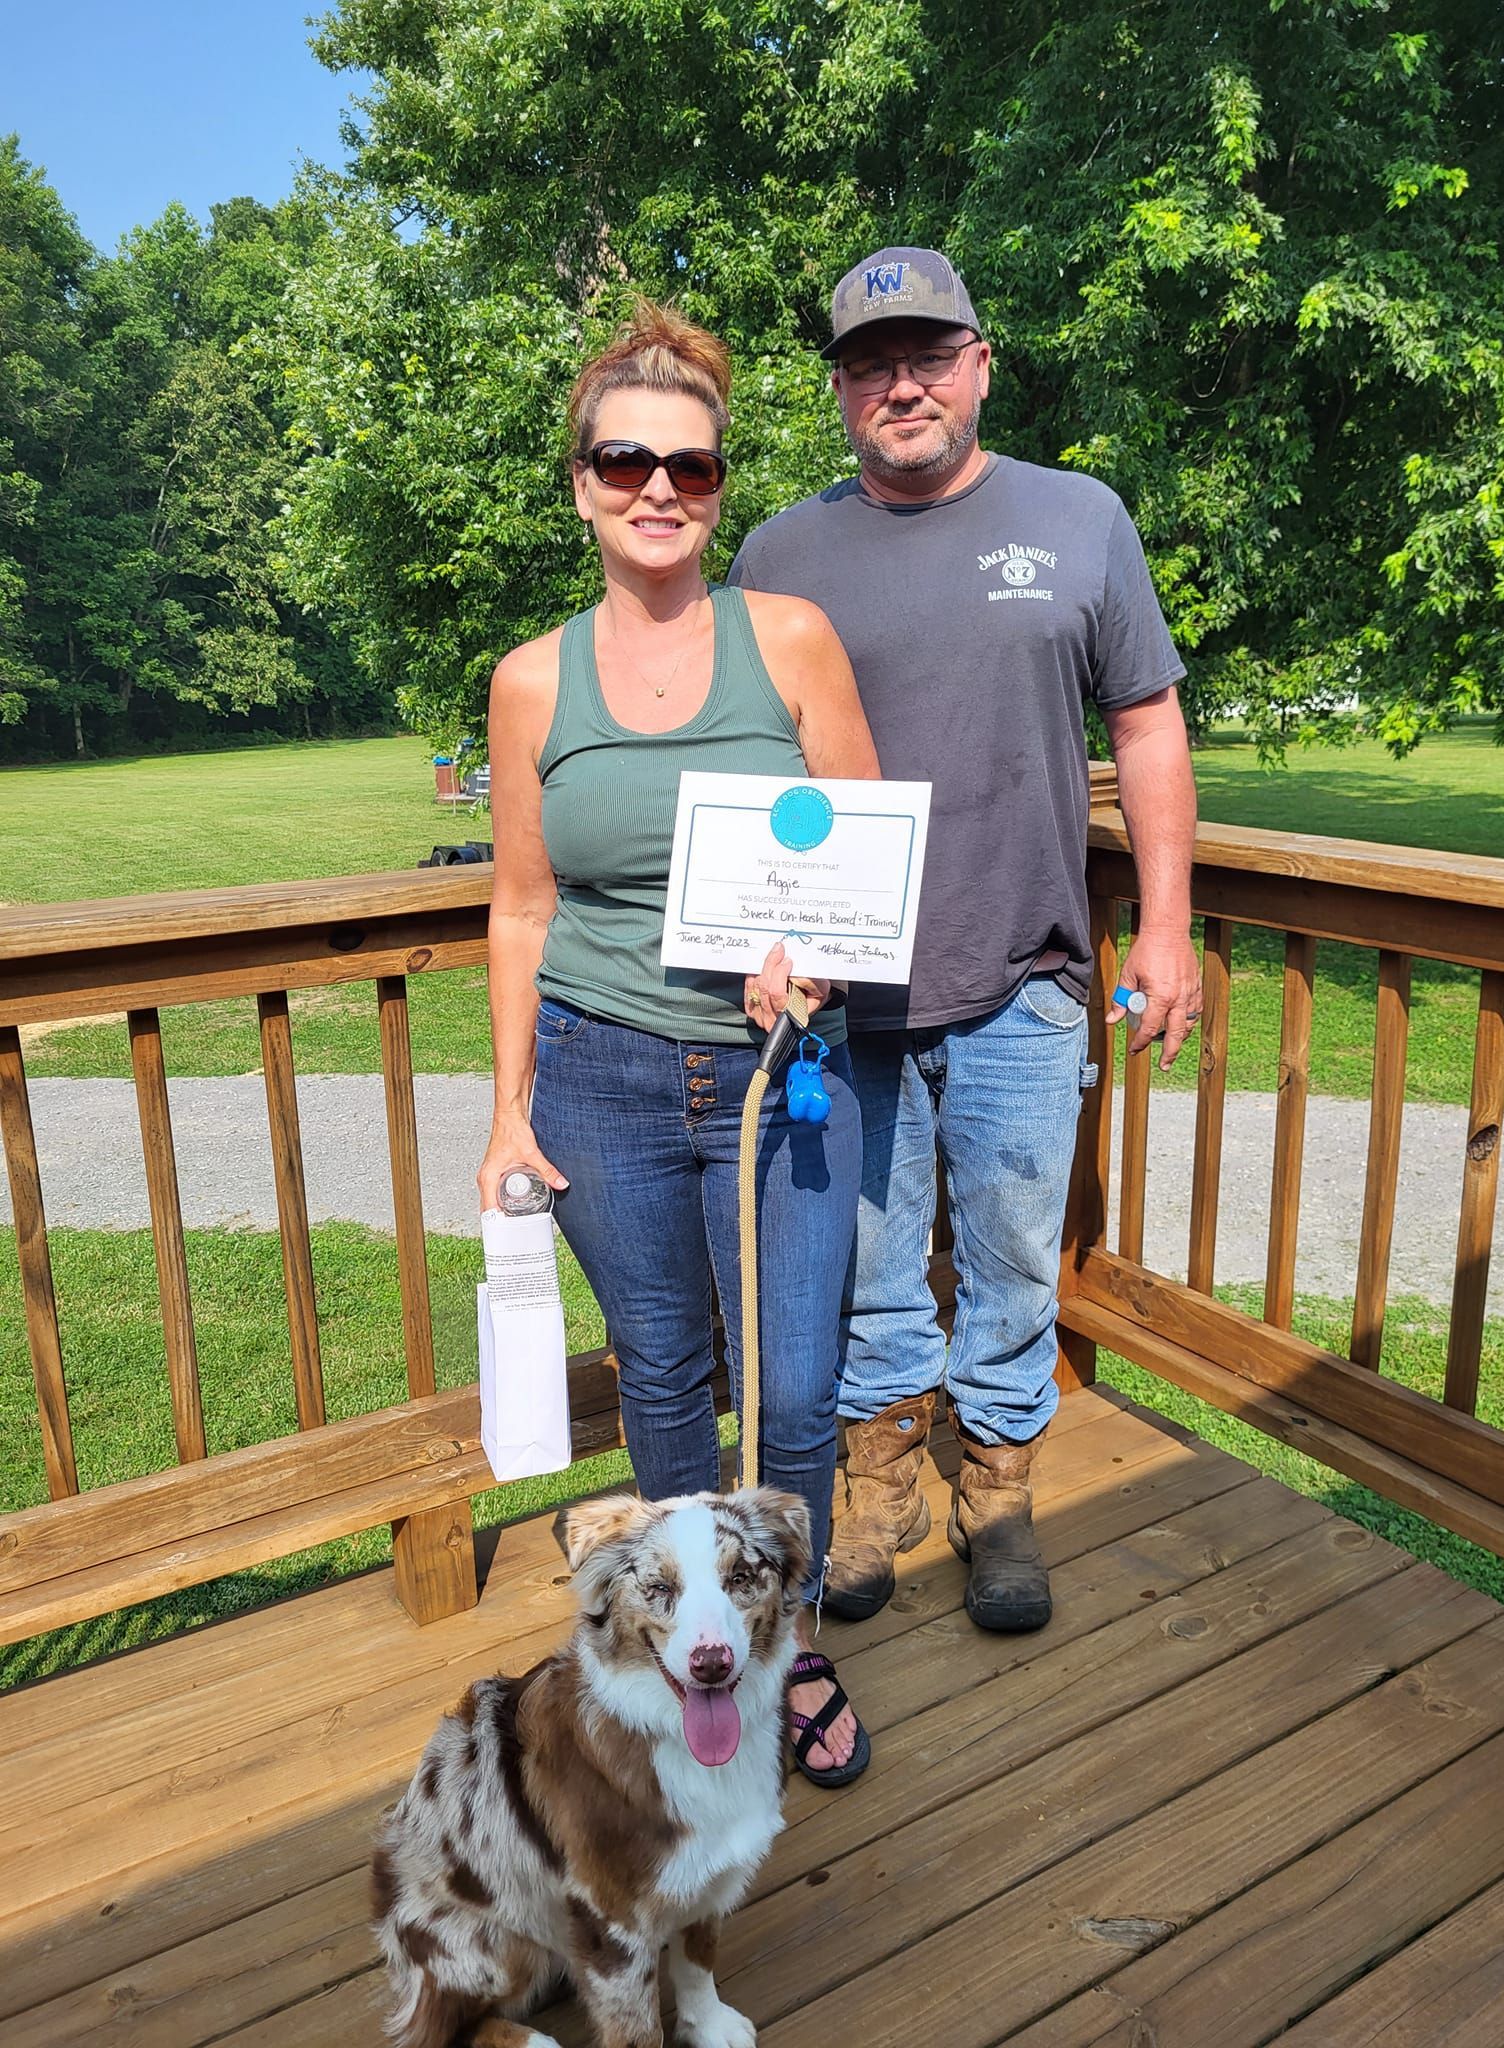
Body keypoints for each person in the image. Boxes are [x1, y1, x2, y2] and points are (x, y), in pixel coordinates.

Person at [729, 247, 1201, 1633]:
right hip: (843, 996)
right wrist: (758, 929)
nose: (904, 385)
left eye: (931, 355)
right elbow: (751, 762)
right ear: (838, 391)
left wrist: (1165, 927)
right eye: (873, 364)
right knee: (874, 1272)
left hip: (1027, 977)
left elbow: (1149, 726)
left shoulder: (1079, 519)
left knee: (1008, 1256)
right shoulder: (778, 552)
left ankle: (997, 1488)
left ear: (982, 364)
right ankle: (884, 1490)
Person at [477, 300, 881, 1783]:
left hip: (782, 1078)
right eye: (627, 459)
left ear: (720, 485)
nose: (660, 487)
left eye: (693, 467)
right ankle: (678, 1652)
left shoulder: (791, 640)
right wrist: (510, 1109)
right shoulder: (533, 679)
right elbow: (523, 909)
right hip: (601, 1072)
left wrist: (817, 960)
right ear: (581, 479)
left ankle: (790, 1645)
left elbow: (863, 859)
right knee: (658, 1370)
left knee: (787, 1386)